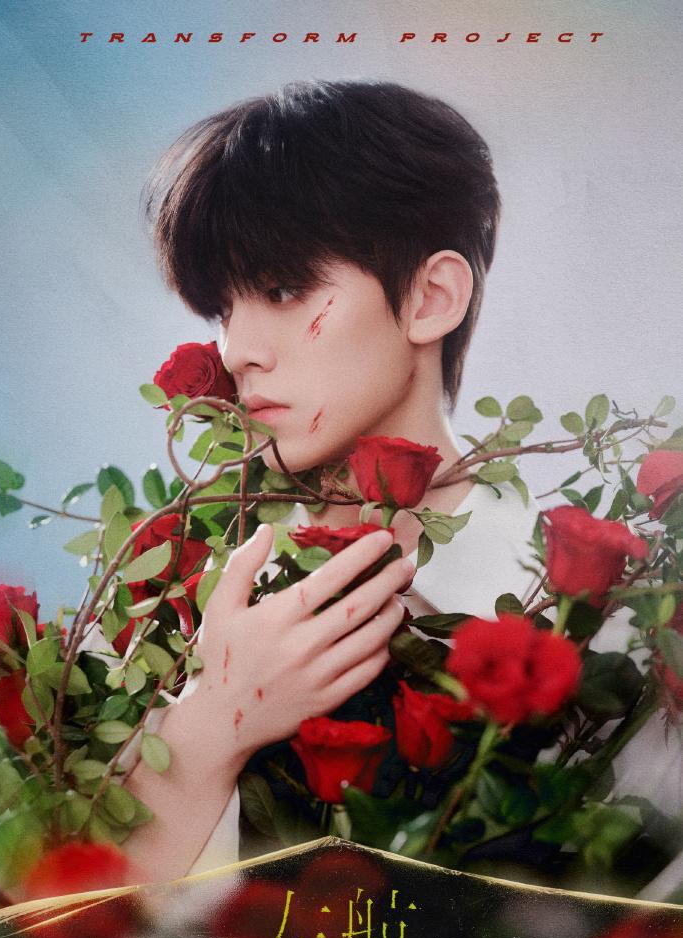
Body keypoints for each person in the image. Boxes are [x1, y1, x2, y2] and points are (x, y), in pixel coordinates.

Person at [115, 80, 677, 893]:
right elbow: (60, 923)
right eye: (222, 310)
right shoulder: (166, 583)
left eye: (281, 290)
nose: (237, 351)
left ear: (431, 296)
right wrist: (211, 724)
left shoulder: (600, 624)